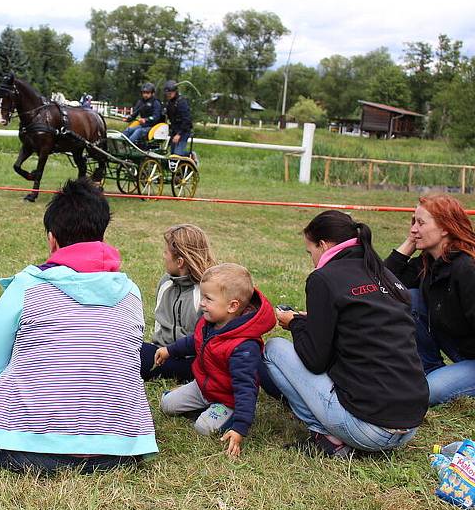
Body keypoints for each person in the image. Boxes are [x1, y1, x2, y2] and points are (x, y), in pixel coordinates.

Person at [0, 178, 158, 473]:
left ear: (52, 239)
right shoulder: (131, 292)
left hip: (24, 449)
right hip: (120, 450)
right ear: (102, 234)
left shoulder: (28, 285)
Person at [264, 210, 428, 458]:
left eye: (311, 252)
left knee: (274, 349)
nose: (312, 260)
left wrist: (295, 324)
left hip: (370, 430)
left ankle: (325, 436)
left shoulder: (323, 278)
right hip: (411, 423)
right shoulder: (383, 272)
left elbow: (314, 360)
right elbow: (363, 325)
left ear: (323, 244)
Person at [155, 264, 275, 457]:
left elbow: (246, 387)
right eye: (203, 297)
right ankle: (203, 406)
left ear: (232, 306)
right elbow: (193, 341)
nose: (202, 303)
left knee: (203, 428)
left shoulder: (244, 347)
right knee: (166, 405)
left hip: (227, 399)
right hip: (203, 387)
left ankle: (227, 415)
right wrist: (169, 350)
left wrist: (240, 428)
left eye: (208, 299)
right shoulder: (209, 321)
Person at [384, 193, 475, 406]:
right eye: (412, 222)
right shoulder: (429, 263)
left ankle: (439, 380)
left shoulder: (468, 269)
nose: (413, 228)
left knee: (427, 392)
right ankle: (429, 368)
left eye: (421, 223)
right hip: (459, 346)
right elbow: (385, 284)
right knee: (408, 297)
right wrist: (410, 242)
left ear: (445, 228)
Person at [140, 224, 216, 381]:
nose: (163, 256)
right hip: (162, 353)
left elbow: (208, 340)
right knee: (128, 350)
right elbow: (159, 326)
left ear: (180, 261)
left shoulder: (206, 292)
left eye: (166, 252)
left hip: (193, 359)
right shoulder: (165, 283)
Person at [163, 80, 193, 156]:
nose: (169, 95)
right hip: (174, 130)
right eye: (167, 93)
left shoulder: (182, 102)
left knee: (177, 155)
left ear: (175, 91)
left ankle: (190, 155)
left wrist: (179, 134)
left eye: (170, 93)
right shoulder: (169, 103)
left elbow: (187, 120)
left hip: (183, 131)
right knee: (172, 153)